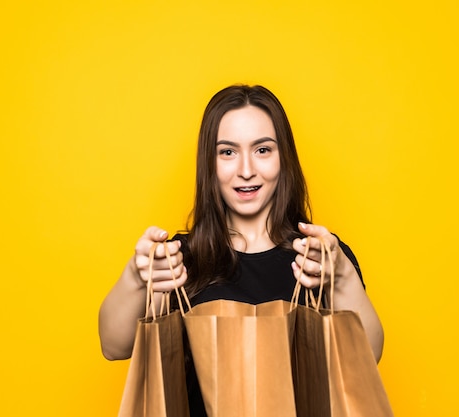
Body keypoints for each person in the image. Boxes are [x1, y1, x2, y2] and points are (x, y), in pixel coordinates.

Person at [99, 84, 384, 415]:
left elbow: (368, 356)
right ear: (210, 163)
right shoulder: (181, 259)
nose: (246, 170)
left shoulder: (319, 257)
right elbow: (113, 345)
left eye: (262, 150)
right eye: (228, 152)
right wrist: (136, 276)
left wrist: (344, 277)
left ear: (284, 158)